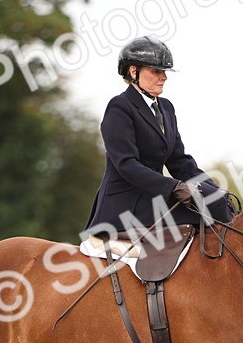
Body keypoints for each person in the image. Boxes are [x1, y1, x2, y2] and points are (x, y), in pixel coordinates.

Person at [83, 36, 232, 246]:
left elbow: (180, 161)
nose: (164, 77)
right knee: (206, 209)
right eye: (156, 71)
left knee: (216, 201)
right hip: (125, 205)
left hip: (153, 197)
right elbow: (126, 164)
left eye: (164, 71)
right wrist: (174, 187)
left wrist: (213, 189)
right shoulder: (119, 107)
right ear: (133, 71)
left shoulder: (166, 108)